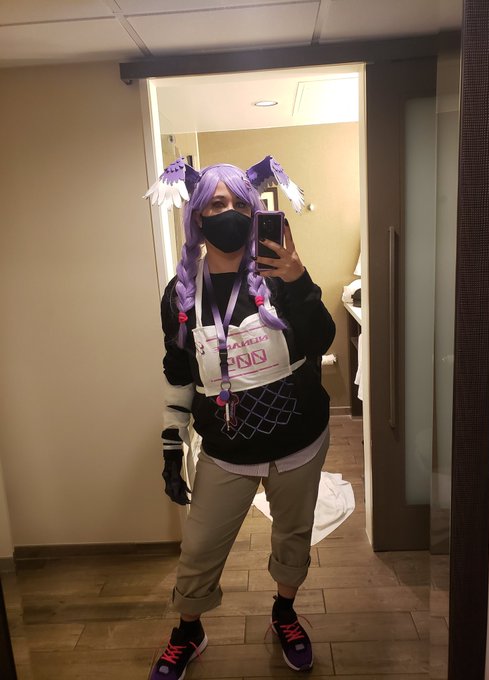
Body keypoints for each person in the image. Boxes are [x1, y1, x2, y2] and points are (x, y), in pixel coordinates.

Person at [146, 156, 336, 680]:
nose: (228, 212)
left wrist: (299, 280)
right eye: (216, 203)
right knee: (199, 548)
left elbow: (321, 340)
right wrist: (171, 446)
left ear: (255, 213)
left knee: (293, 537)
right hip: (226, 450)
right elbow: (178, 374)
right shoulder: (180, 295)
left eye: (239, 204)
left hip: (299, 439)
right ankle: (189, 631)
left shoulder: (279, 277)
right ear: (197, 216)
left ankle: (284, 614)